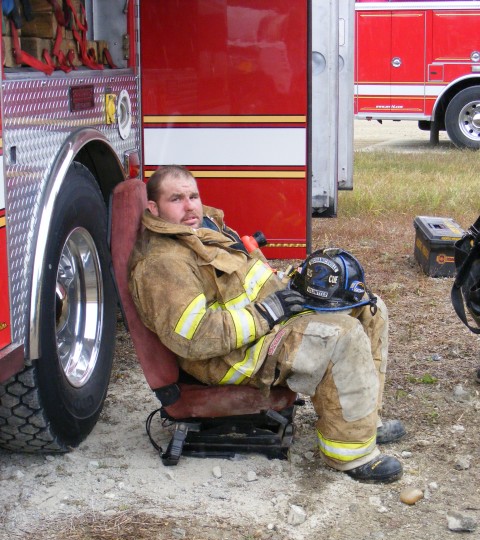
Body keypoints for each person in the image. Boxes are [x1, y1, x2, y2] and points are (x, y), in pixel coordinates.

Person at [128, 165, 406, 483]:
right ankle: (351, 454)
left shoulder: (204, 229)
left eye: (193, 195)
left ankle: (365, 423)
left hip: (267, 325)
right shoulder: (163, 264)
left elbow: (246, 282)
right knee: (343, 335)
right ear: (154, 208)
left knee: (370, 309)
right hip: (233, 357)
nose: (190, 205)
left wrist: (292, 283)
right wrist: (269, 312)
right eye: (176, 198)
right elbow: (196, 337)